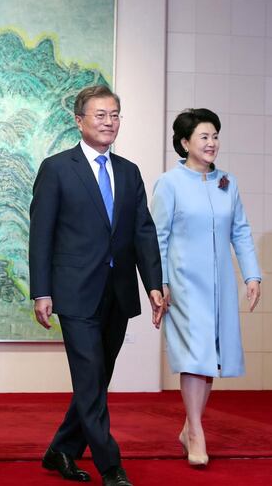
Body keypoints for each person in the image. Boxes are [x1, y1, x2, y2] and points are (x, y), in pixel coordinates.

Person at [29, 85, 165, 486]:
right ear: (79, 120)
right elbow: (42, 234)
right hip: (74, 292)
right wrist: (42, 290)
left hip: (118, 291)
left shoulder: (128, 171)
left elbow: (143, 231)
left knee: (97, 378)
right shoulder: (57, 167)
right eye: (100, 115)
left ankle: (61, 451)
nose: (109, 122)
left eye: (115, 115)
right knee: (90, 377)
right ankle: (112, 466)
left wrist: (154, 284)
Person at [150, 108, 261, 467]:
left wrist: (252, 275)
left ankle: (189, 428)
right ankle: (196, 431)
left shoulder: (228, 182)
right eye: (204, 137)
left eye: (215, 136)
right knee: (195, 355)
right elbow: (158, 238)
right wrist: (160, 282)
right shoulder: (170, 183)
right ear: (184, 143)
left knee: (210, 356)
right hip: (184, 284)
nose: (212, 143)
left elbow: (240, 231)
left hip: (220, 286)